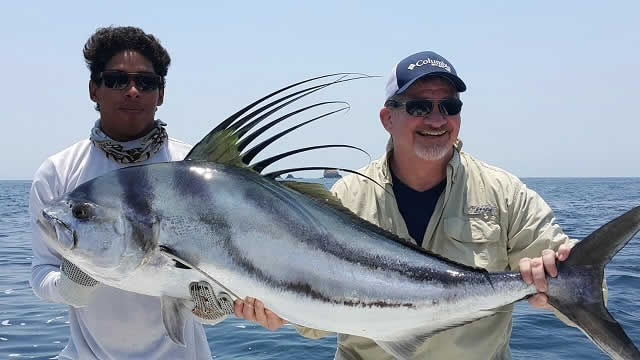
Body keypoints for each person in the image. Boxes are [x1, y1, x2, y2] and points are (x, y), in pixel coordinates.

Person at [235, 51, 588, 359]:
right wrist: (278, 310)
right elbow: (315, 326)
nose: (436, 119)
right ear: (388, 118)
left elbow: (579, 280)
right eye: (419, 106)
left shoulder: (504, 193)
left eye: (449, 106)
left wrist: (556, 285)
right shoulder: (345, 198)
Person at [29, 26, 230, 360]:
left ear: (161, 94)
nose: (133, 91)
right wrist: (69, 287)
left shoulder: (195, 170)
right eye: (117, 80)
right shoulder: (58, 173)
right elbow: (40, 272)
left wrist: (216, 306)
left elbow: (224, 264)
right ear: (94, 89)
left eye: (146, 82)